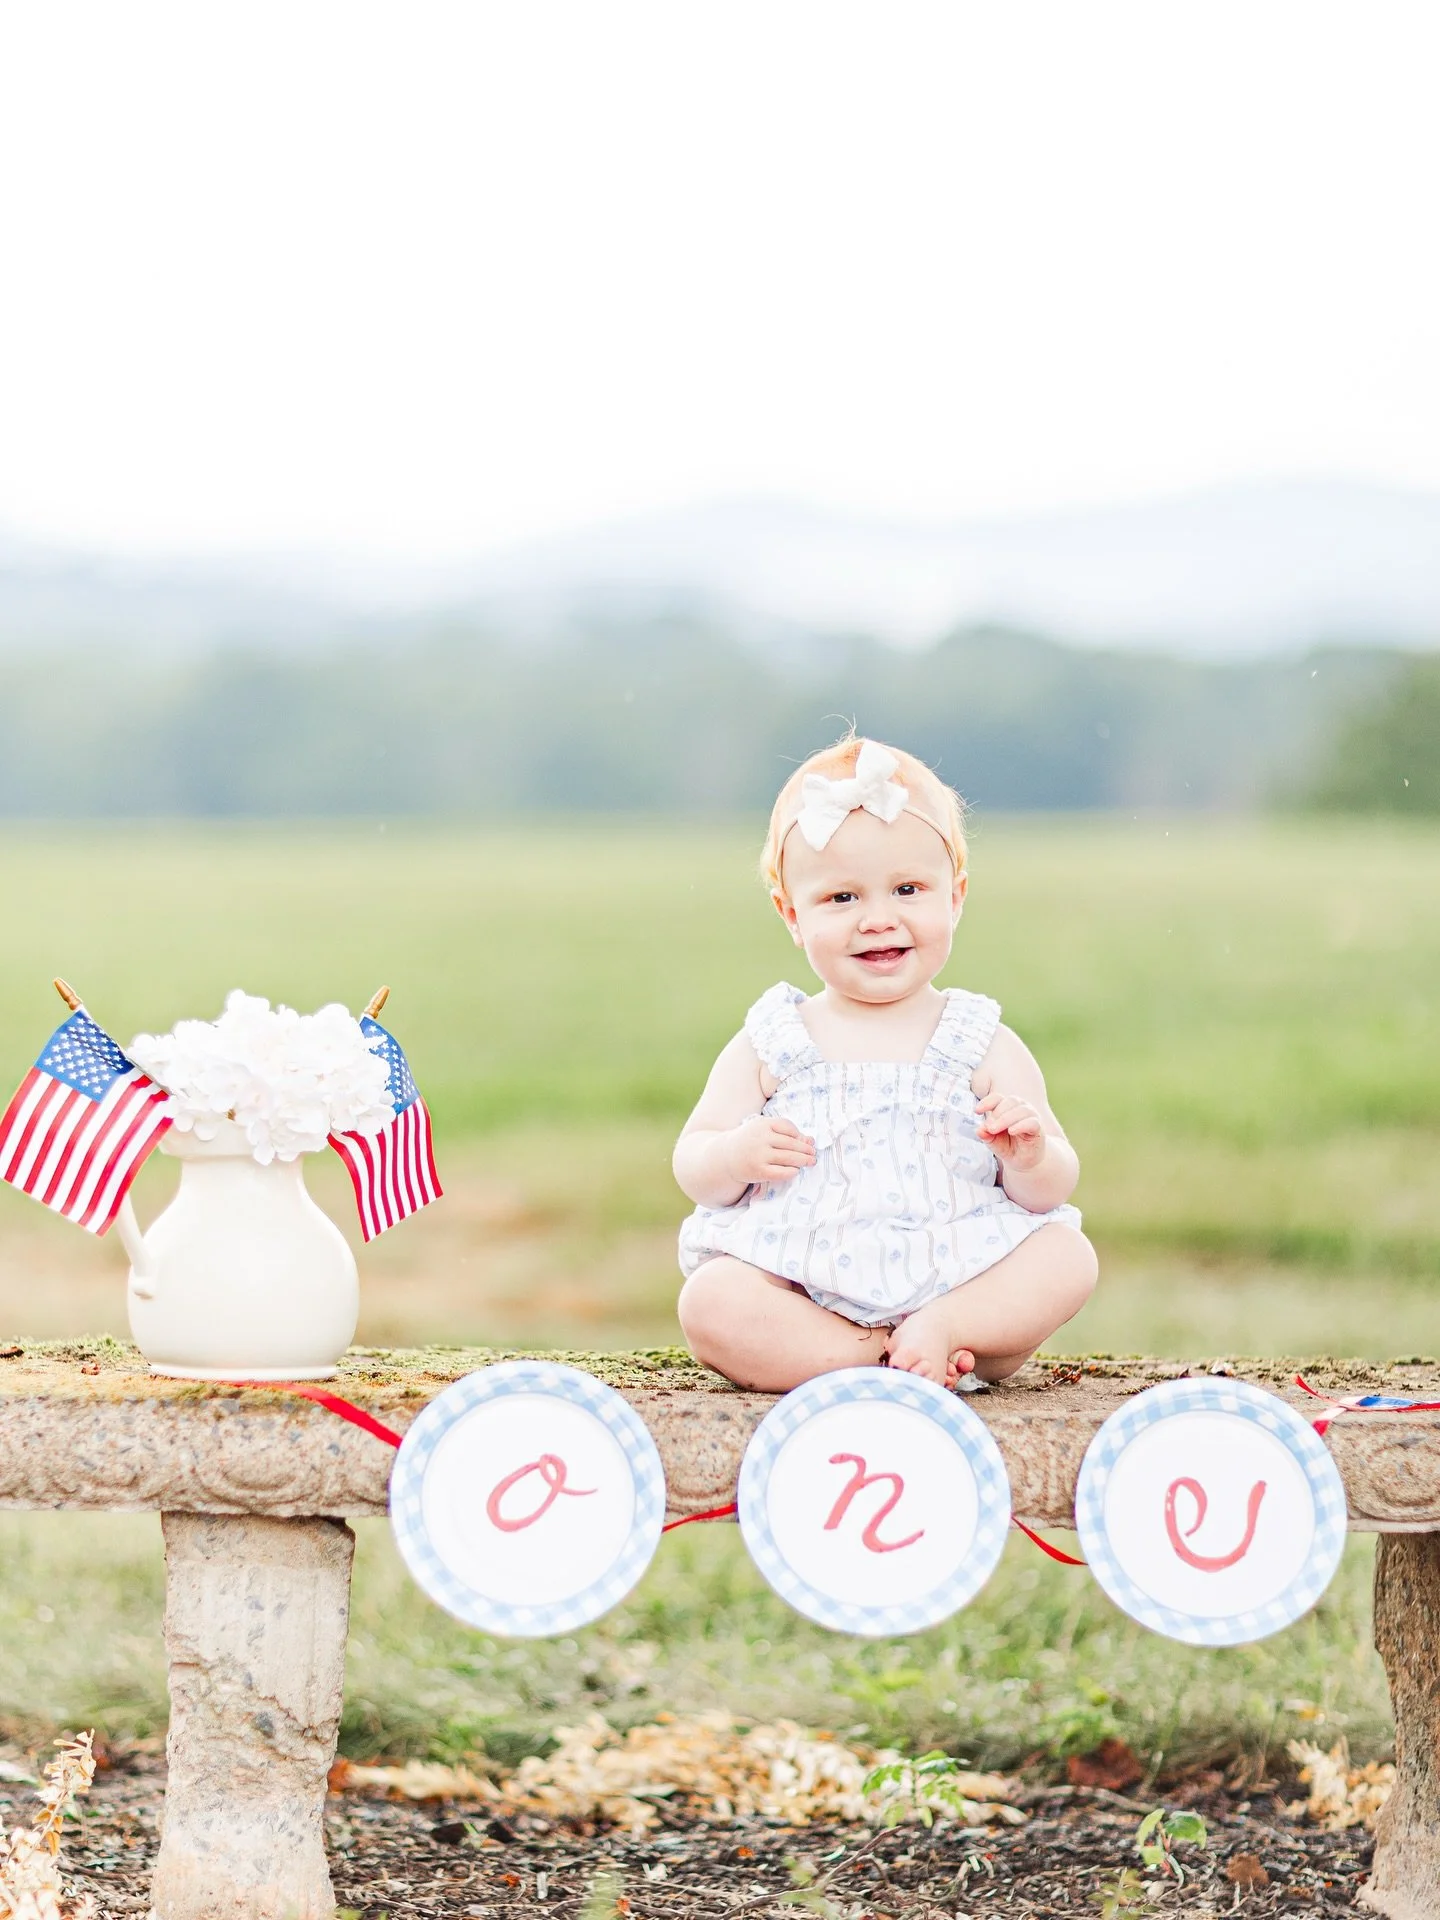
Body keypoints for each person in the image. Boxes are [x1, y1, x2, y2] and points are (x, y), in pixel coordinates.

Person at [674, 736, 1097, 1393]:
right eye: (841, 899)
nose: (878, 919)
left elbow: (1050, 1190)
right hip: (805, 1281)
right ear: (791, 913)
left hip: (957, 1270)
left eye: (906, 889)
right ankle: (869, 1354)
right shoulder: (777, 1037)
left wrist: (1030, 1155)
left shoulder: (978, 1038)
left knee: (1068, 1257)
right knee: (709, 1302)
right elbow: (694, 1159)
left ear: (954, 896)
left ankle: (948, 1328)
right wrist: (732, 1155)